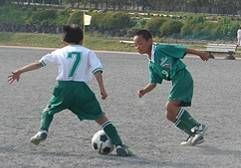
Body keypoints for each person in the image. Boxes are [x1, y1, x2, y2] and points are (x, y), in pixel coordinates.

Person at [8, 25, 132, 156]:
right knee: (102, 118)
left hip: (63, 88)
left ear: (65, 40)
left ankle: (43, 131)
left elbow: (39, 63)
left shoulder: (60, 52)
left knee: (48, 111)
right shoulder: (88, 52)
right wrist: (102, 89)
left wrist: (20, 71)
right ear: (82, 39)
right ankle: (119, 145)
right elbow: (97, 71)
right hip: (81, 90)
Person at [133, 29, 209, 146]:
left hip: (182, 76)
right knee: (170, 115)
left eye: (140, 43)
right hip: (177, 81)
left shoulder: (160, 49)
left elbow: (182, 49)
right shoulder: (151, 63)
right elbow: (154, 82)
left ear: (150, 41)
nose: (138, 47)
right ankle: (193, 134)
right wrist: (144, 90)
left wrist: (200, 53)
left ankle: (198, 127)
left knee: (170, 106)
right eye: (135, 45)